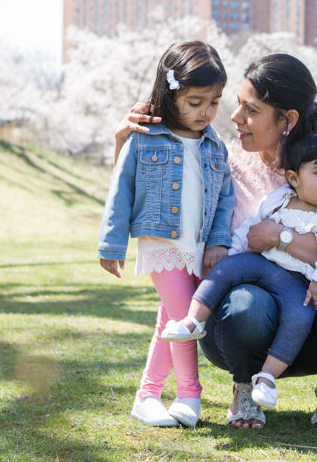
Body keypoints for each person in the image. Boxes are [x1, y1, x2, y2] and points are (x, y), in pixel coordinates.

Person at [115, 53, 317, 430]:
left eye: (252, 110)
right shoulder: (223, 159)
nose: (235, 118)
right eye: (237, 106)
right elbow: (154, 186)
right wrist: (125, 140)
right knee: (246, 308)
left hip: (312, 302)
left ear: (288, 120)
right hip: (241, 314)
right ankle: (244, 384)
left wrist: (279, 236)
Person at [161, 134, 317, 411]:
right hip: (260, 263)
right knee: (226, 269)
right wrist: (234, 255)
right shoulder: (278, 199)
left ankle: (266, 378)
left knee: (299, 318)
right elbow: (250, 229)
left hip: (297, 281)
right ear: (293, 178)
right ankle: (193, 322)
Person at [98, 41, 235, 429]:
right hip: (162, 243)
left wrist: (219, 241)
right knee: (186, 322)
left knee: (171, 320)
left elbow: (225, 198)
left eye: (214, 102)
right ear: (171, 93)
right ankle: (189, 394)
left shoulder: (215, 145)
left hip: (198, 243)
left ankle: (147, 395)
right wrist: (111, 243)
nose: (205, 112)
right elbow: (120, 189)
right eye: (195, 102)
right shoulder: (145, 137)